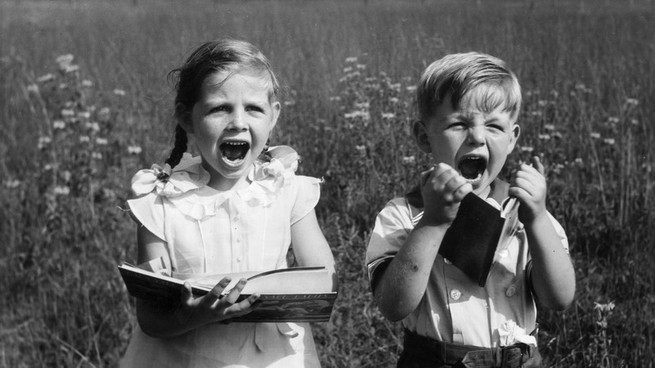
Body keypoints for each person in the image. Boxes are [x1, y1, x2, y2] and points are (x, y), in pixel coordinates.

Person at [120, 39, 335, 368]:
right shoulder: (161, 199)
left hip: (277, 358)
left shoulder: (285, 188)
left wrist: (289, 293)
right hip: (186, 357)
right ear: (187, 118)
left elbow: (323, 278)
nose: (237, 121)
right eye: (219, 108)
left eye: (253, 108)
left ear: (273, 116)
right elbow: (150, 318)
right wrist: (193, 316)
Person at [365, 52, 575, 368]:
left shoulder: (524, 214)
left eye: (493, 126)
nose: (477, 136)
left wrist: (538, 219)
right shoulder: (403, 215)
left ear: (512, 138)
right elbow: (392, 306)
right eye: (459, 123)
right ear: (424, 136)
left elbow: (559, 298)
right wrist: (432, 224)